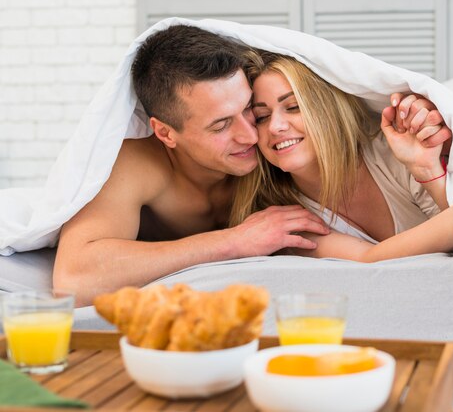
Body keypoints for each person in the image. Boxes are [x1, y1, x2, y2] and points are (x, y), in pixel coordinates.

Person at [53, 26, 335, 306]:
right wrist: (233, 242)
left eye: (250, 108)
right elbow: (73, 281)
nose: (251, 135)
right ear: (165, 133)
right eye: (221, 125)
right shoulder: (137, 164)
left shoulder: (276, 140)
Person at [230, 51, 453, 261]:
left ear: (325, 111)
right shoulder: (280, 213)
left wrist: (427, 171)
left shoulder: (392, 156)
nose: (276, 126)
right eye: (260, 115)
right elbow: (369, 260)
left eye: (293, 107)